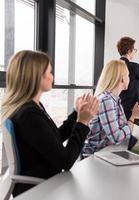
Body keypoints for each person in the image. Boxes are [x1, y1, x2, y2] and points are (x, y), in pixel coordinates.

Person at [1, 50, 99, 196]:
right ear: (37, 77)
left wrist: (76, 114)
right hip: (41, 189)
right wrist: (83, 122)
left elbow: (54, 139)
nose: (52, 76)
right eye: (49, 71)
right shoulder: (29, 115)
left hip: (45, 183)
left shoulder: (31, 107)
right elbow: (66, 161)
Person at [82, 60, 139, 156]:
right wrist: (134, 117)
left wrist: (137, 116)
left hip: (109, 152)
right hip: (97, 156)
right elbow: (117, 138)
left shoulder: (114, 99)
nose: (129, 78)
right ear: (122, 79)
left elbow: (122, 132)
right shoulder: (106, 100)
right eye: (128, 75)